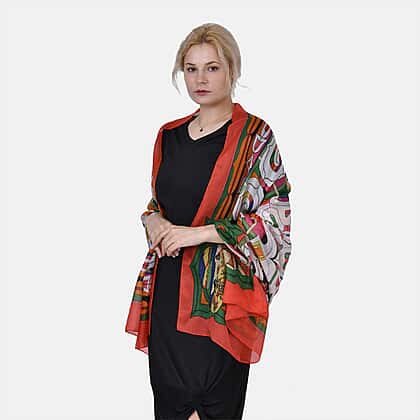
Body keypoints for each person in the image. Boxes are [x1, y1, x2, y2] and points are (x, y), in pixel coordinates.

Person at [125, 23, 292, 420]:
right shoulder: (168, 136)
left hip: (219, 302)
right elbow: (159, 203)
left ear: (232, 70)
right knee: (170, 404)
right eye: (191, 68)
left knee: (209, 406)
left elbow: (274, 222)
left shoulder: (254, 138)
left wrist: (197, 234)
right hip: (167, 294)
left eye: (212, 68)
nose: (200, 79)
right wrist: (151, 220)